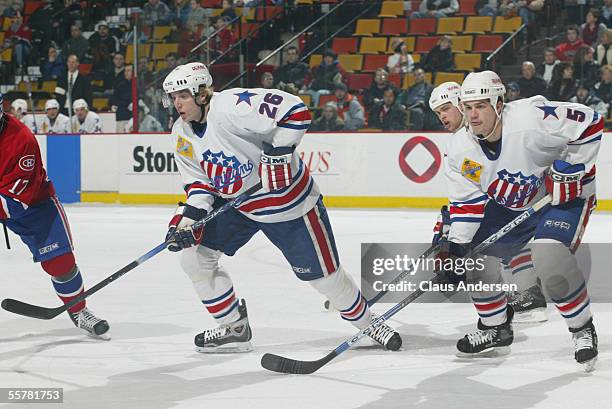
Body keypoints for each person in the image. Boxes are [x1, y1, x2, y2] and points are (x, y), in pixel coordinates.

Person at [161, 62, 402, 352]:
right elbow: (200, 185)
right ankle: (233, 327)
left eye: (183, 96)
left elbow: (295, 111)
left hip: (288, 204)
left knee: (325, 279)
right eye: (173, 97)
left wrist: (278, 153)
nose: (177, 104)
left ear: (202, 93)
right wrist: (187, 220)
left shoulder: (232, 106)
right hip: (239, 206)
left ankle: (368, 324)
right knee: (194, 258)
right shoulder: (180, 133)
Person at [441, 70, 599, 371]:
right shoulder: (459, 149)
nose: (473, 115)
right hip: (514, 204)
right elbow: (467, 207)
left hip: (562, 195)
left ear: (499, 104)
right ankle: (496, 329)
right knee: (475, 259)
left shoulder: (531, 117)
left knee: (549, 256)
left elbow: (590, 121)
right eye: (468, 107)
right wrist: (456, 250)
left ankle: (582, 328)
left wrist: (570, 167)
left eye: (481, 106)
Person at [430, 82, 547, 324]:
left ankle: (526, 296)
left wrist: (453, 237)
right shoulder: (463, 142)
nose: (442, 117)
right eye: (437, 113)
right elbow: (472, 192)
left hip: (527, 198)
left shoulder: (483, 135)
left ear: (460, 106)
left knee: (487, 245)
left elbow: (480, 194)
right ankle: (521, 293)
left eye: (445, 108)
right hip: (517, 200)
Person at [0, 93, 109, 338]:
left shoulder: (22, 141)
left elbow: (14, 204)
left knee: (61, 263)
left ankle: (79, 311)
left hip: (33, 206)